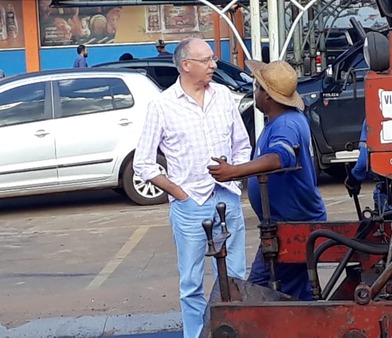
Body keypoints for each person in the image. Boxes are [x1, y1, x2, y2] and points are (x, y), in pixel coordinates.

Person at [132, 37, 252, 338]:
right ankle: (197, 334)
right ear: (186, 65)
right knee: (191, 284)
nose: (214, 65)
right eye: (207, 60)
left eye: (212, 59)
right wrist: (179, 193)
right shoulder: (162, 106)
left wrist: (234, 177)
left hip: (228, 200)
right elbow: (143, 163)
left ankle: (234, 332)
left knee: (235, 278)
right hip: (190, 207)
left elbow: (242, 144)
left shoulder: (223, 95)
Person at [208, 60, 327, 301]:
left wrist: (234, 172)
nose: (255, 91)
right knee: (295, 291)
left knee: (261, 292)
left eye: (258, 87)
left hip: (292, 226)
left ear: (268, 97)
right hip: (287, 224)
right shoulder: (282, 121)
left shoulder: (286, 124)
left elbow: (280, 157)